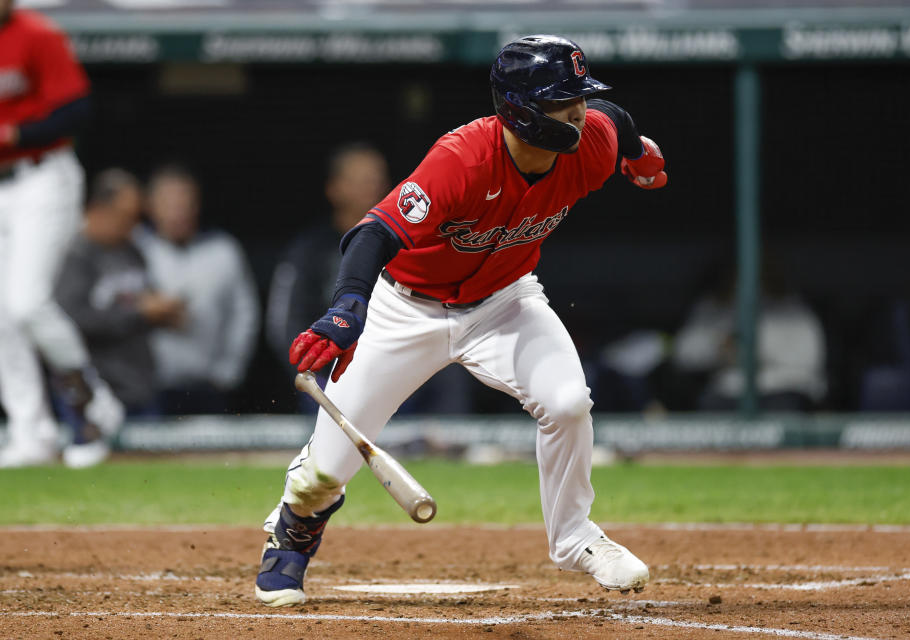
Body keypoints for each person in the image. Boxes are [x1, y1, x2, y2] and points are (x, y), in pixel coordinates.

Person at [254, 35, 669, 607]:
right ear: (520, 111)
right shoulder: (463, 159)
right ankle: (294, 528)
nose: (577, 112)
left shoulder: (589, 143)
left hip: (505, 301)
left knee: (569, 401)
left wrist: (639, 155)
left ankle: (575, 538)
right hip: (407, 309)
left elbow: (613, 120)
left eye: (578, 98)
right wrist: (348, 308)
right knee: (323, 474)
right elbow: (373, 232)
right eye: (561, 101)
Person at [0, 0, 125, 468]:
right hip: (2, 187)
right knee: (2, 315)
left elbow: (75, 109)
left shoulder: (37, 34)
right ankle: (30, 433)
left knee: (27, 302)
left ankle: (94, 407)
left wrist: (17, 134)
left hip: (41, 176)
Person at [266, 142, 475, 414]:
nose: (373, 188)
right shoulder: (309, 250)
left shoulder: (414, 244)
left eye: (378, 180)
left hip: (406, 376)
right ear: (334, 188)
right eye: (362, 180)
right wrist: (313, 376)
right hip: (334, 379)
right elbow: (284, 323)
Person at [55, 169, 186, 424]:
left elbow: (144, 300)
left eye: (137, 218)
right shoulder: (75, 256)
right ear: (98, 209)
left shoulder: (133, 251)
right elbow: (70, 320)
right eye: (126, 217)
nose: (133, 226)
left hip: (140, 383)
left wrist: (162, 312)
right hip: (95, 390)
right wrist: (139, 312)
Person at [134, 164, 260, 414]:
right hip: (146, 390)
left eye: (185, 202)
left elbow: (244, 314)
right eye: (169, 202)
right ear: (150, 205)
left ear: (197, 205)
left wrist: (229, 371)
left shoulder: (223, 250)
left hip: (209, 385)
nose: (177, 211)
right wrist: (145, 310)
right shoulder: (132, 248)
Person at [666, 256, 827, 411]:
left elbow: (810, 360)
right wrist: (717, 346)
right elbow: (682, 352)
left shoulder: (793, 309)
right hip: (727, 392)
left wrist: (755, 350)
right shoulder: (713, 307)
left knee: (785, 407)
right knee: (708, 404)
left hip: (781, 389)